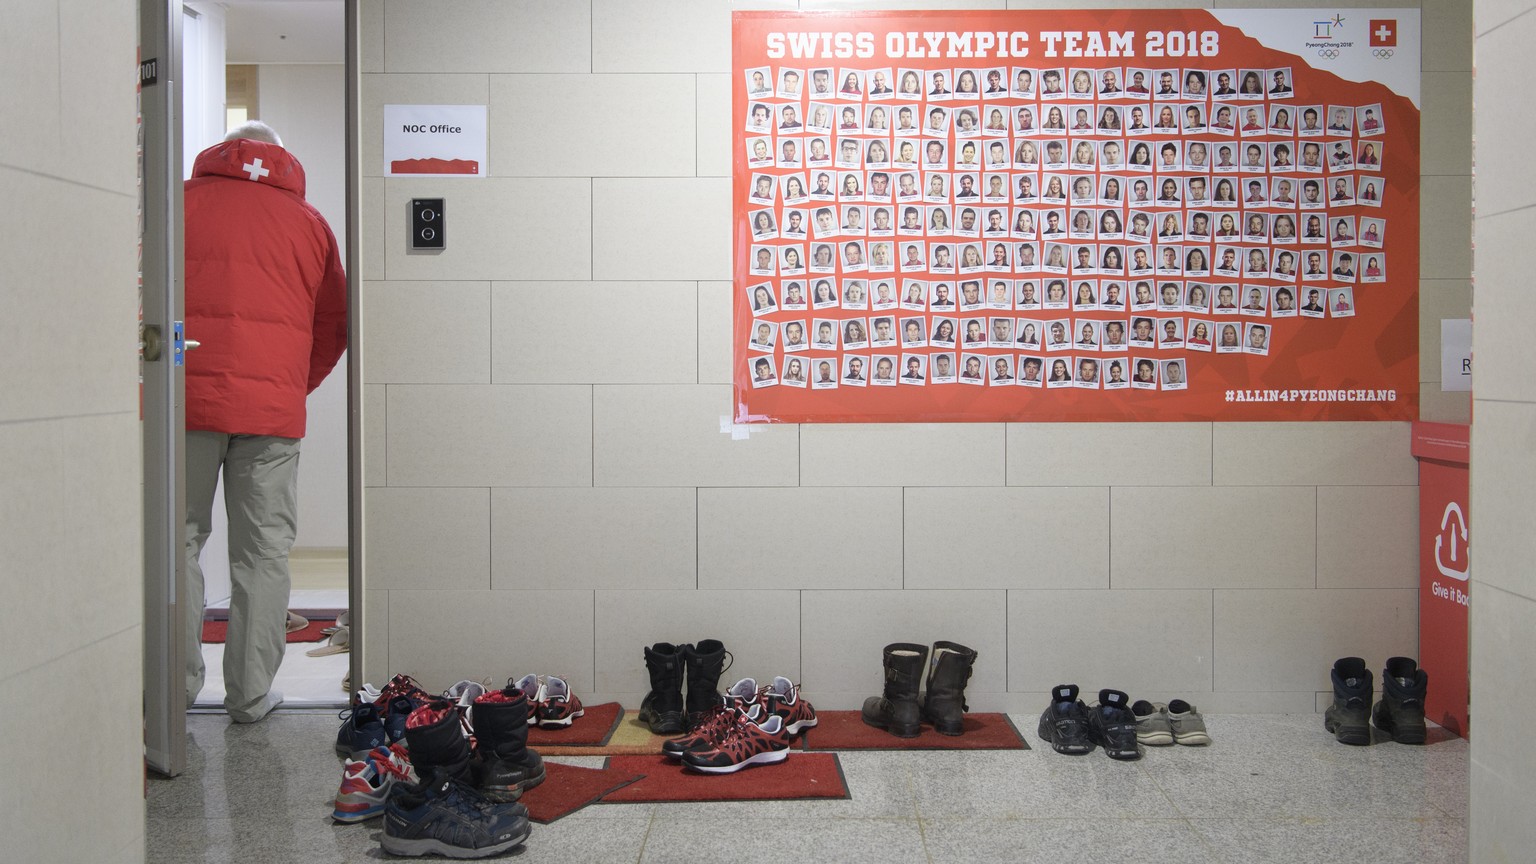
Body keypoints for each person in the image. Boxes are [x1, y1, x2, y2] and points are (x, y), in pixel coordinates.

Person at [183, 121, 347, 723]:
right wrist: (287, 386)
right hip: (271, 416)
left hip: (183, 406)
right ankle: (250, 696)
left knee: (175, 543)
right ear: (279, 158)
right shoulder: (310, 224)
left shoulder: (175, 201)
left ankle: (171, 691)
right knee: (262, 553)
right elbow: (335, 323)